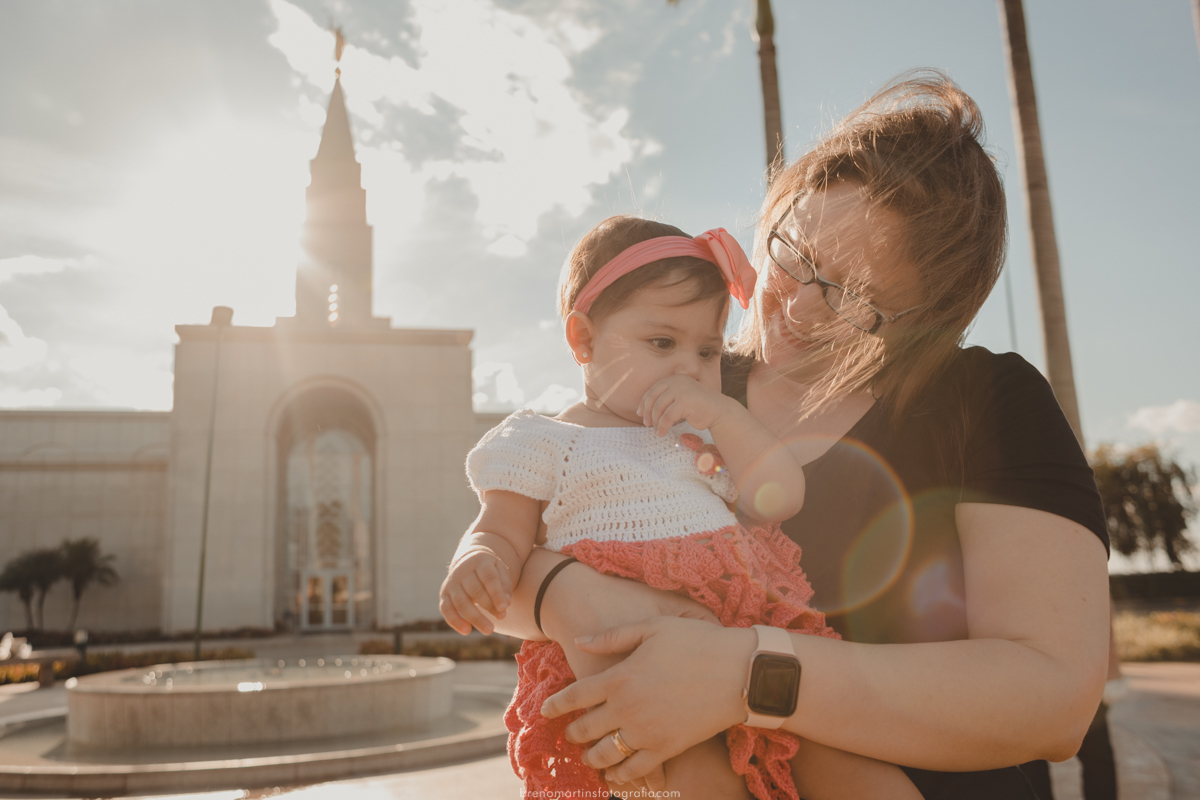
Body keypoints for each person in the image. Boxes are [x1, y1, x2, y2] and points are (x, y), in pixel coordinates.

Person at [494, 71, 1111, 800]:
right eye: (795, 254)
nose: (797, 307)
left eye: (852, 297)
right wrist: (558, 591)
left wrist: (749, 675)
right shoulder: (673, 380)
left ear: (924, 318)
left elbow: (1051, 697)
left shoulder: (986, 402)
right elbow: (504, 546)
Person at [440, 216, 922, 800]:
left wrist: (726, 417)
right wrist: (480, 559)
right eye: (662, 343)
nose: (690, 368)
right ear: (583, 340)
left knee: (850, 766)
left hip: (745, 634)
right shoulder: (547, 440)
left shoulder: (700, 443)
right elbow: (501, 531)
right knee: (695, 775)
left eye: (708, 350)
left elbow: (781, 494)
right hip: (629, 652)